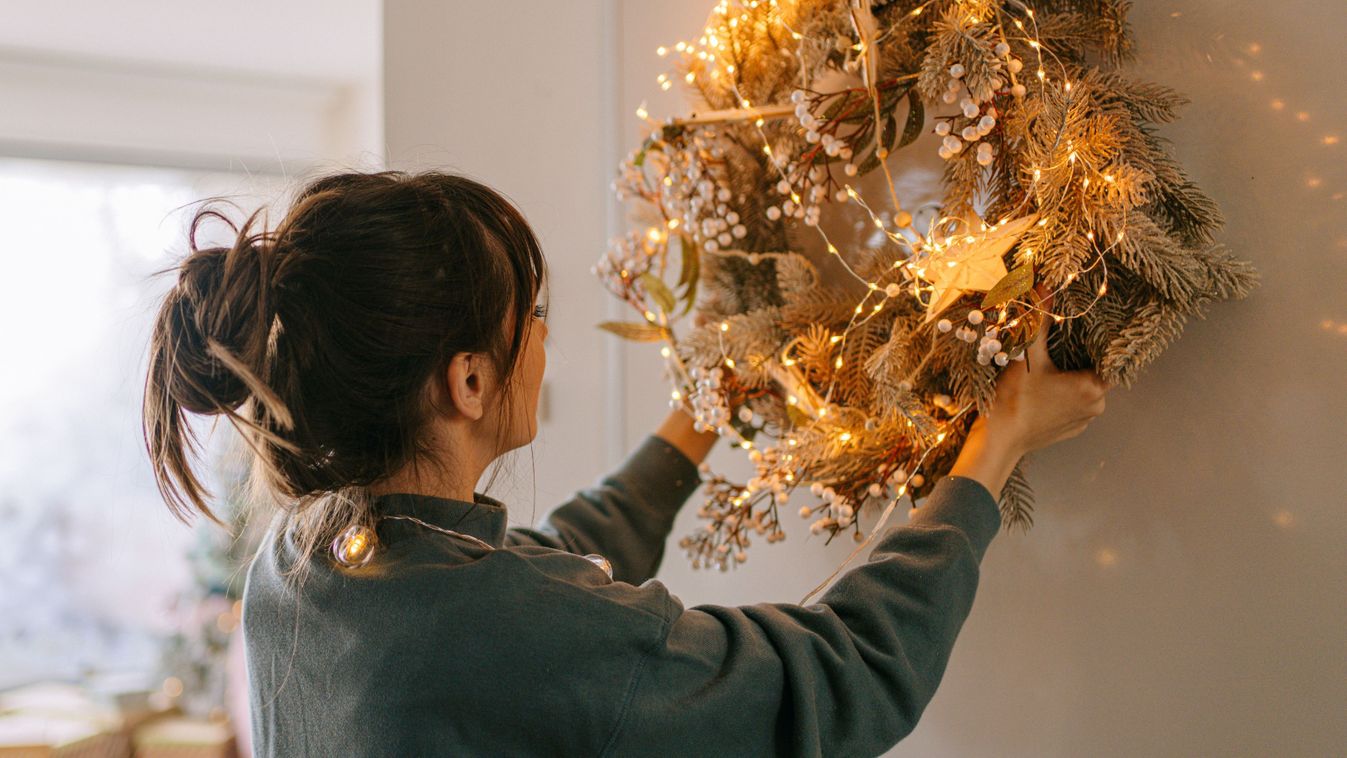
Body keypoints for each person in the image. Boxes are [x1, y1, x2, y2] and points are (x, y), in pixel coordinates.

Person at [143, 170, 1109, 757]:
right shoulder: (490, 625)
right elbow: (841, 676)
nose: (545, 335)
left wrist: (694, 429)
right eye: (529, 318)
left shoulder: (305, 569)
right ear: (470, 381)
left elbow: (541, 575)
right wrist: (996, 445)